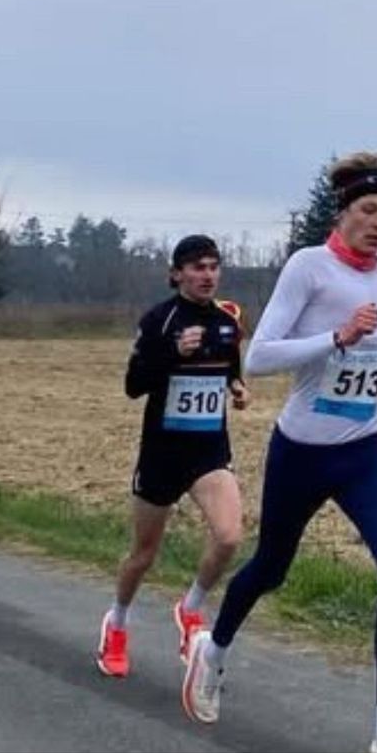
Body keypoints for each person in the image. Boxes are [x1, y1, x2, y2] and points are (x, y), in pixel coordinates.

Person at [182, 153, 377, 753]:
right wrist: (336, 337)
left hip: (365, 452)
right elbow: (260, 356)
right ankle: (214, 649)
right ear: (343, 213)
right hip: (302, 453)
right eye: (369, 210)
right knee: (272, 567)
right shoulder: (309, 267)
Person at [96, 234, 249, 678]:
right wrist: (172, 352)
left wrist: (237, 388)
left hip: (209, 451)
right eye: (198, 267)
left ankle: (190, 607)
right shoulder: (158, 321)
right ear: (177, 274)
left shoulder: (227, 320)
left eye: (214, 267)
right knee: (144, 554)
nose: (208, 275)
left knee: (229, 537)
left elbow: (230, 370)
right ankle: (117, 624)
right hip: (163, 454)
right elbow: (133, 386)